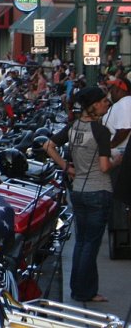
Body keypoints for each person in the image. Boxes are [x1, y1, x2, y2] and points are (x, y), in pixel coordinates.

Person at [44, 87, 122, 303]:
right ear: (94, 105)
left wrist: (66, 167)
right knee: (91, 244)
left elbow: (48, 145)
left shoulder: (73, 127)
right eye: (104, 101)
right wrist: (118, 161)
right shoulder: (101, 131)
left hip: (78, 190)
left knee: (81, 242)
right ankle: (85, 292)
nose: (107, 104)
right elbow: (105, 166)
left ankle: (79, 289)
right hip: (99, 190)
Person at [104, 77, 131, 150]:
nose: (110, 92)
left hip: (121, 153)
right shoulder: (124, 102)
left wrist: (110, 145)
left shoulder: (125, 102)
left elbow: (125, 129)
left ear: (118, 89)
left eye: (112, 89)